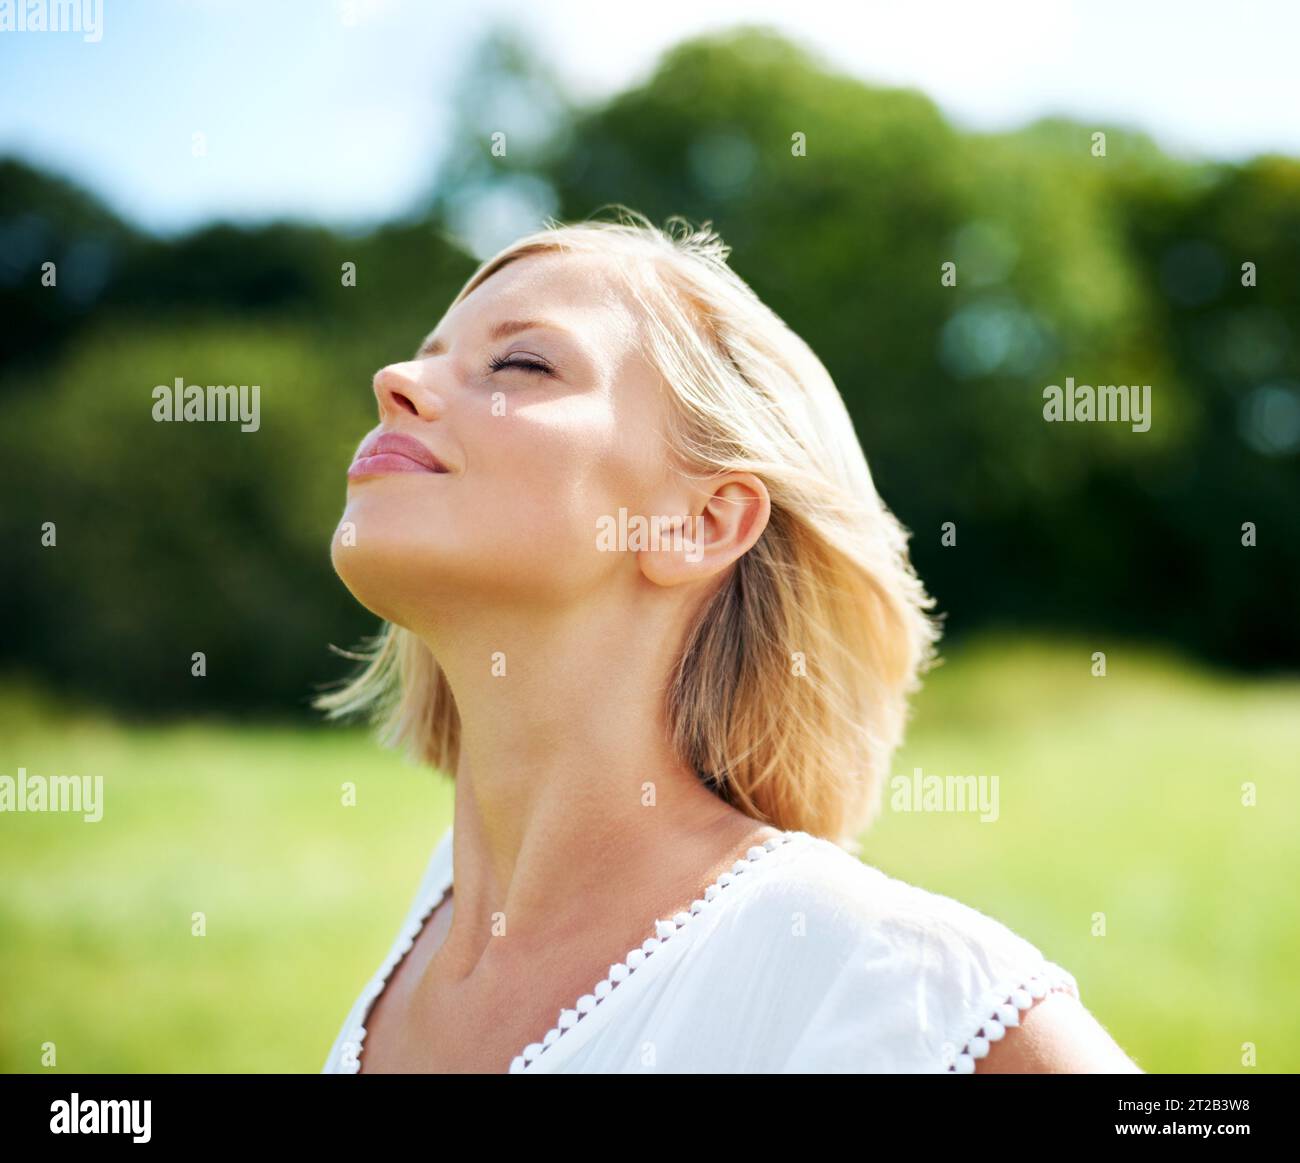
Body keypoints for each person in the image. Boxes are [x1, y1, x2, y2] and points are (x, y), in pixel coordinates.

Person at [316, 209, 1141, 1074]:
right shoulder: (435, 919)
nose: (395, 379)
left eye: (520, 363)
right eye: (428, 350)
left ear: (702, 522)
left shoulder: (896, 983)